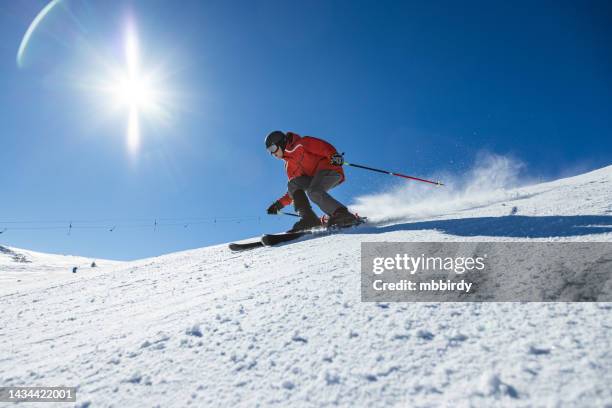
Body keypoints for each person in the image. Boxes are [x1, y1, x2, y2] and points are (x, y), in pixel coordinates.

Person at [265, 130, 358, 232]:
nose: (272, 153)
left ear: (281, 143)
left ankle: (342, 214)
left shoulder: (301, 144)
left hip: (330, 169)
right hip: (314, 179)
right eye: (269, 151)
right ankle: (309, 219)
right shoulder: (289, 166)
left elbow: (323, 147)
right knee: (293, 184)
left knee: (313, 191)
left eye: (273, 148)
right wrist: (279, 204)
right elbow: (293, 192)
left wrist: (334, 156)